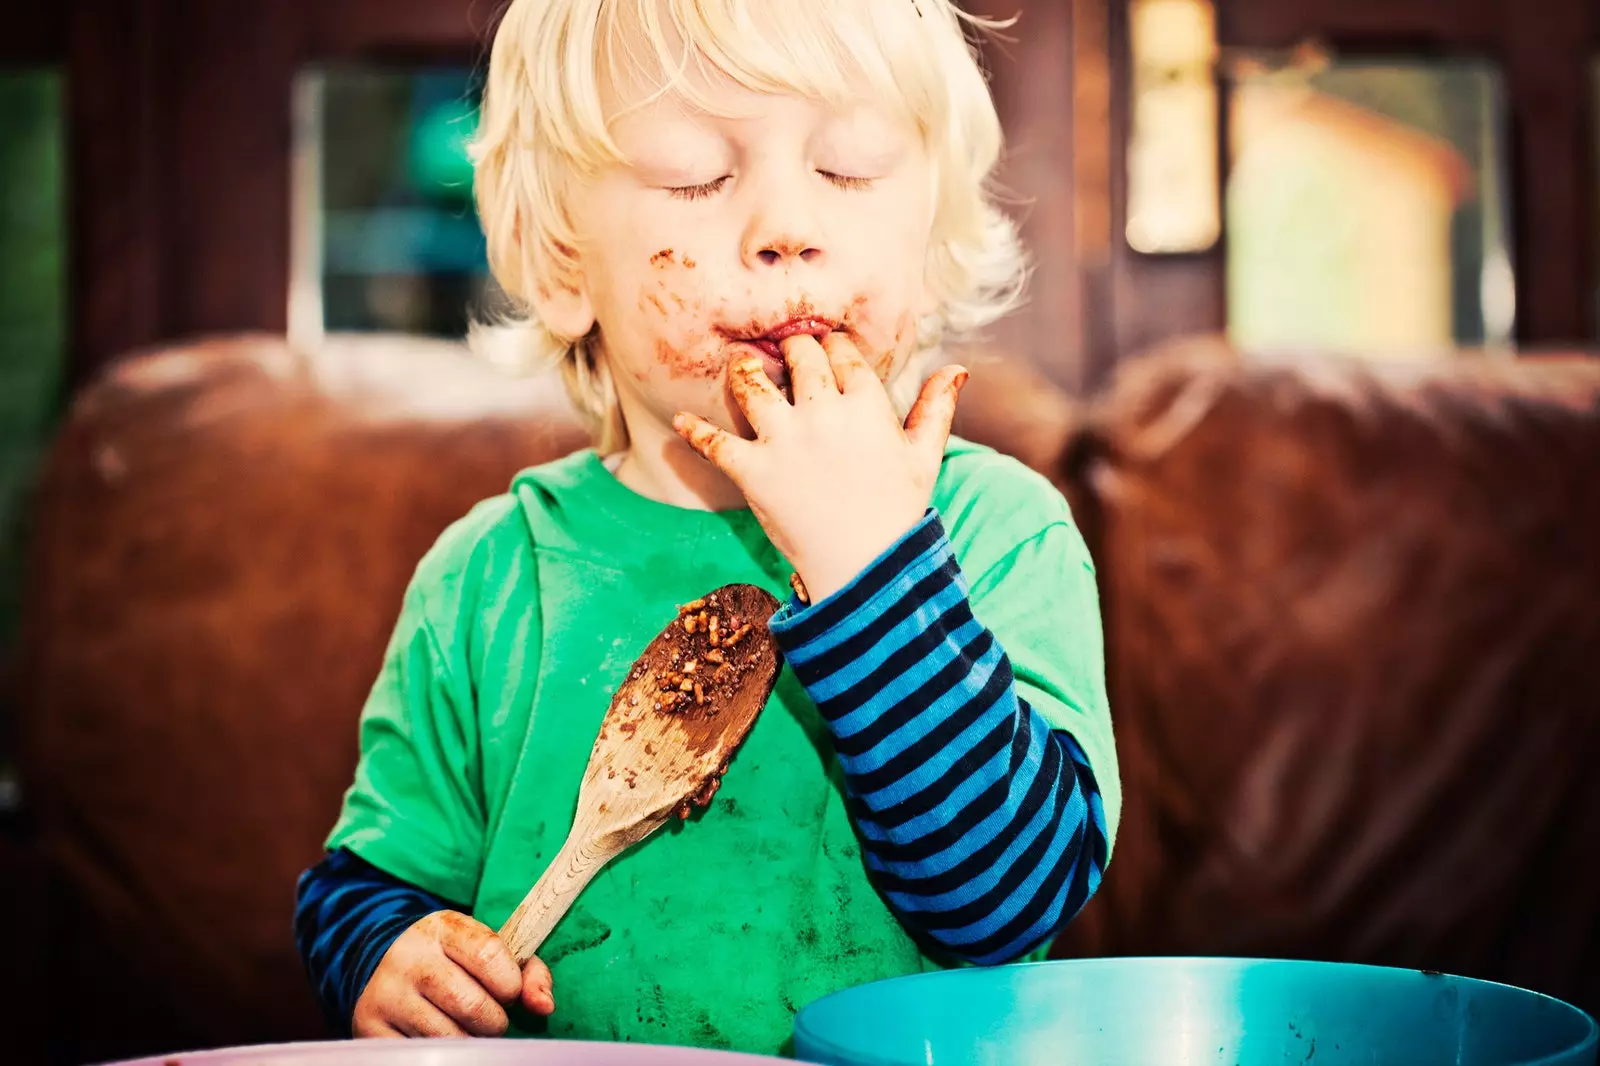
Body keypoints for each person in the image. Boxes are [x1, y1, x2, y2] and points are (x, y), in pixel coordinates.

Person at [295, 0, 1119, 1054]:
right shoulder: (490, 578)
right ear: (561, 260)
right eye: (695, 173)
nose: (785, 224)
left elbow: (1008, 898)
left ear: (929, 239)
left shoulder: (998, 534)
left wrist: (874, 573)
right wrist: (388, 956)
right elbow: (362, 883)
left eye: (850, 167)